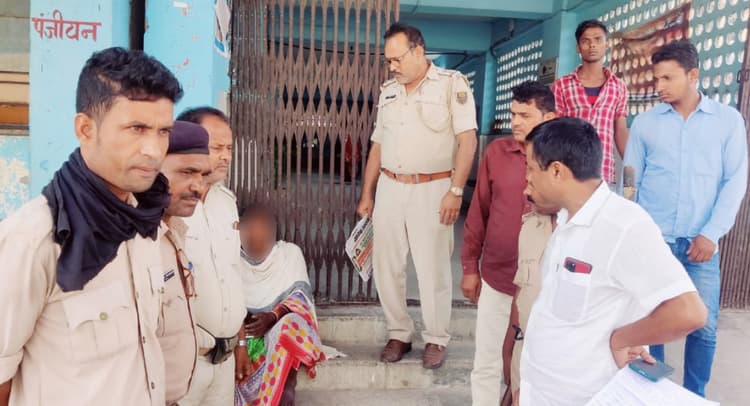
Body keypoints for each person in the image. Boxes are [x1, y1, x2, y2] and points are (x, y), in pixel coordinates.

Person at [0, 47, 182, 405]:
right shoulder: (34, 240)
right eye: (136, 129)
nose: (153, 149)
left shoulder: (145, 222)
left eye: (163, 131)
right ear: (85, 129)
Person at [519, 117, 707, 405]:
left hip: (587, 397)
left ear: (557, 171)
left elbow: (688, 312)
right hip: (543, 392)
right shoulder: (566, 220)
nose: (527, 178)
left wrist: (623, 339)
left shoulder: (624, 226)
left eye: (531, 168)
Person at [624, 40, 748, 397]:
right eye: (656, 78)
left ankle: (695, 396)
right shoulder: (645, 124)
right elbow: (630, 182)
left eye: (668, 78)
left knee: (703, 326)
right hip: (654, 241)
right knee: (652, 324)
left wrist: (711, 234)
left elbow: (735, 181)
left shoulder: (727, 121)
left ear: (692, 75)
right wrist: (634, 233)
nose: (659, 86)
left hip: (701, 246)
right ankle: (653, 393)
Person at [356, 22, 478, 369]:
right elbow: (378, 145)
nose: (392, 66)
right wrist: (368, 193)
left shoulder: (451, 84)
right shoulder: (389, 91)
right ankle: (399, 333)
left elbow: (467, 141)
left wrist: (456, 191)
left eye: (397, 59)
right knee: (387, 265)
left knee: (432, 267)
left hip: (434, 188)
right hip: (391, 187)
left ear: (418, 51)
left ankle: (436, 337)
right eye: (388, 60)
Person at [461, 81, 555, 406]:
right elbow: (479, 211)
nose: (515, 122)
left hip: (542, 285)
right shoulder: (497, 153)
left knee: (532, 364)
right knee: (486, 361)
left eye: (525, 115)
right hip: (497, 276)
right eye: (513, 114)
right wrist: (470, 267)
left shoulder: (562, 160)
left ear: (549, 117)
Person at [177, 107, 250, 405]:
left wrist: (240, 343)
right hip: (185, 363)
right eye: (217, 148)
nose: (226, 156)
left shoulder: (226, 202)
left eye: (229, 148)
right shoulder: (169, 207)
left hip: (224, 361)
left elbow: (232, 275)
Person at [234, 205, 325, 406]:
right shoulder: (232, 259)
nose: (257, 248)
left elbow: (301, 299)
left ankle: (287, 385)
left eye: (263, 242)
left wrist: (273, 316)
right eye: (251, 242)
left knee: (288, 327)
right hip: (245, 336)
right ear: (240, 236)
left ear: (273, 236)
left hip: (278, 331)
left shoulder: (289, 255)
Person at [157, 121, 214, 405]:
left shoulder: (176, 233)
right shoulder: (131, 244)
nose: (198, 187)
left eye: (203, 175)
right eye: (186, 172)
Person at [552, 19, 629, 186]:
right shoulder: (562, 85)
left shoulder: (618, 87)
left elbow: (620, 131)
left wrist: (632, 164)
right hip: (570, 171)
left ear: (606, 44)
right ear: (578, 48)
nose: (592, 45)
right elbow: (556, 130)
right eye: (586, 41)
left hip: (604, 172)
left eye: (598, 40)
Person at [507, 204, 557, 406]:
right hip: (524, 347)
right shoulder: (531, 225)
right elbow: (522, 289)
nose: (527, 190)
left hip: (558, 369)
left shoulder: (588, 236)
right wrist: (510, 344)